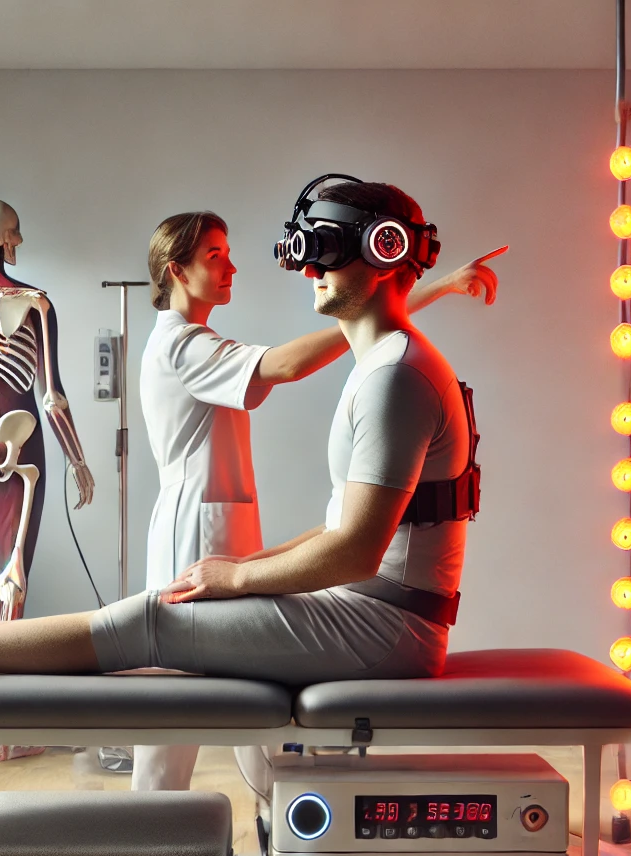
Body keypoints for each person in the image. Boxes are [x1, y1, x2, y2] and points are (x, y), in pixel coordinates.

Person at [0, 180, 478, 749]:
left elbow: (355, 551)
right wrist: (245, 569)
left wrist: (239, 578)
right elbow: (346, 531)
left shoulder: (394, 376)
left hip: (384, 625)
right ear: (176, 269)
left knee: (155, 629)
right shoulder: (378, 368)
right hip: (357, 603)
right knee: (167, 655)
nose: (308, 268)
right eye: (306, 250)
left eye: (329, 251)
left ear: (388, 250)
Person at [130, 209, 501, 790]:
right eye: (214, 256)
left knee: (252, 704)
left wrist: (406, 302)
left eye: (227, 253)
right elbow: (288, 363)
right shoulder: (180, 347)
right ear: (176, 270)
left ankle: (279, 819)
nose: (231, 266)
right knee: (178, 714)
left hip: (223, 526)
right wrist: (427, 293)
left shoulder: (197, 342)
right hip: (194, 530)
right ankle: (146, 841)